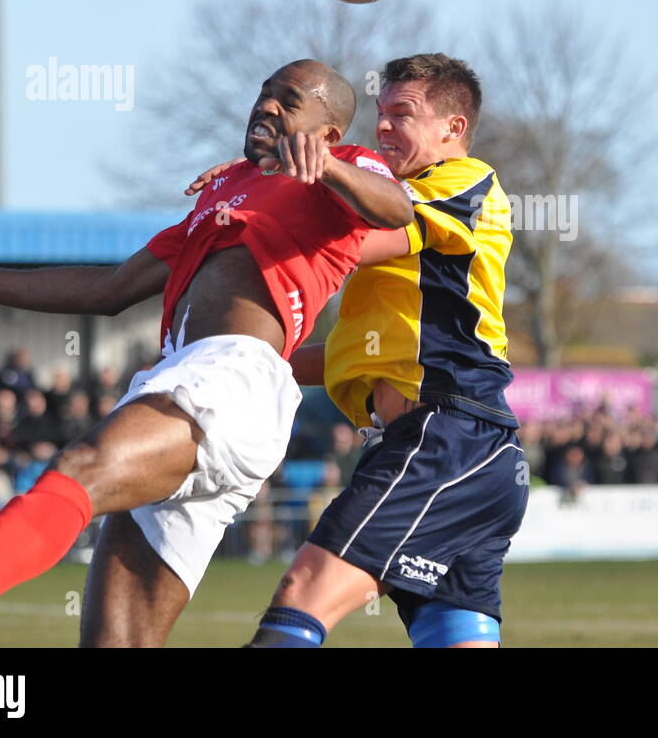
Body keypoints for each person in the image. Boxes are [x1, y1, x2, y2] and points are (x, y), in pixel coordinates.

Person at [0, 60, 412, 648]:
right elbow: (107, 291)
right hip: (194, 386)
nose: (268, 106)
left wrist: (329, 167)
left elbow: (397, 209)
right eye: (264, 94)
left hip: (234, 379)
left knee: (82, 467)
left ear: (329, 132)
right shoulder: (226, 191)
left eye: (289, 100)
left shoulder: (343, 168)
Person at [188, 53, 526, 648]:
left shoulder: (460, 181)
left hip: (445, 439)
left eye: (404, 113)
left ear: (454, 129)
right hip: (451, 448)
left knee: (301, 596)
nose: (386, 126)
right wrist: (217, 360)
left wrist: (256, 192)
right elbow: (347, 354)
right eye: (381, 113)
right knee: (452, 634)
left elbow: (341, 245)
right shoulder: (405, 221)